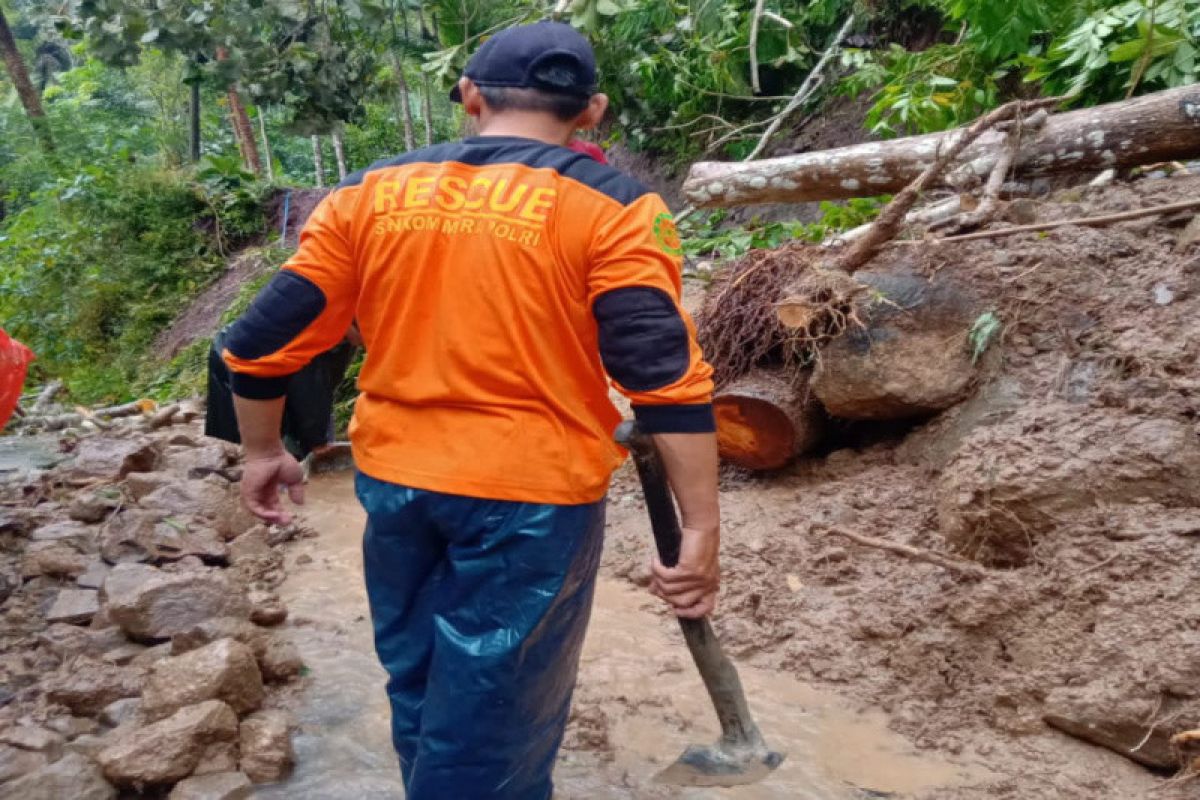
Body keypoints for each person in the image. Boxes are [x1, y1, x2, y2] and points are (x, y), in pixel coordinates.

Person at [221, 21, 720, 800]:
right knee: (496, 717)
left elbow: (255, 345)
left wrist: (261, 452)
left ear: (469, 97)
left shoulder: (366, 194)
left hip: (394, 483)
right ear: (591, 111)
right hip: (532, 497)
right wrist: (700, 531)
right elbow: (664, 382)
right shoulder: (615, 207)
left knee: (419, 680)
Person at [205, 324, 360, 465]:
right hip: (238, 359)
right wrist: (318, 442)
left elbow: (321, 387)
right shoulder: (318, 333)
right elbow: (308, 393)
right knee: (250, 449)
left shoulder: (343, 333)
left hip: (263, 356)